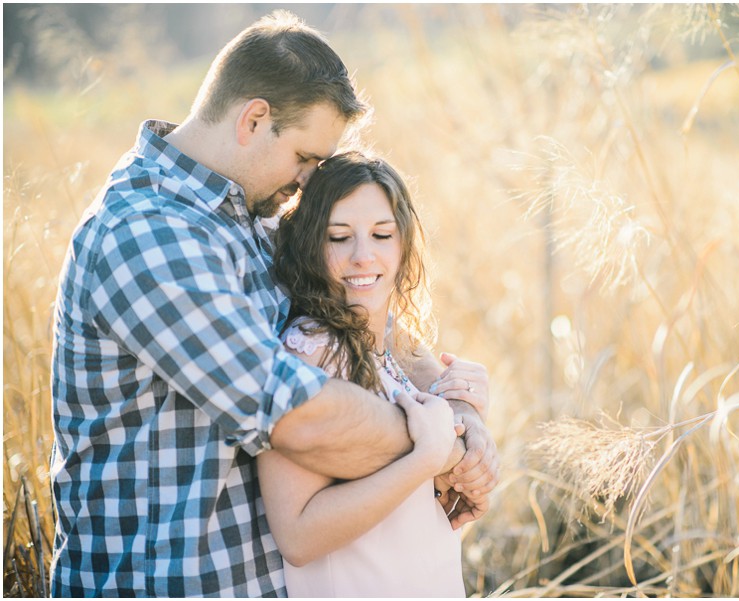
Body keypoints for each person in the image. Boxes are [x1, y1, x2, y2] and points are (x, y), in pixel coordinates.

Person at [48, 11, 498, 597]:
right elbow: (291, 411)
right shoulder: (145, 236)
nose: (310, 180)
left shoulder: (249, 218)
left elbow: (365, 327)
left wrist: (458, 407)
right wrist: (435, 445)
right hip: (166, 583)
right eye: (306, 158)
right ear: (254, 119)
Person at [261, 152, 484, 597]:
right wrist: (426, 459)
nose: (364, 256)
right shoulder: (313, 350)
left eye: (382, 234)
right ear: (310, 245)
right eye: (339, 237)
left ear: (404, 244)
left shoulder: (390, 347)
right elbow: (298, 536)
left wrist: (471, 431)